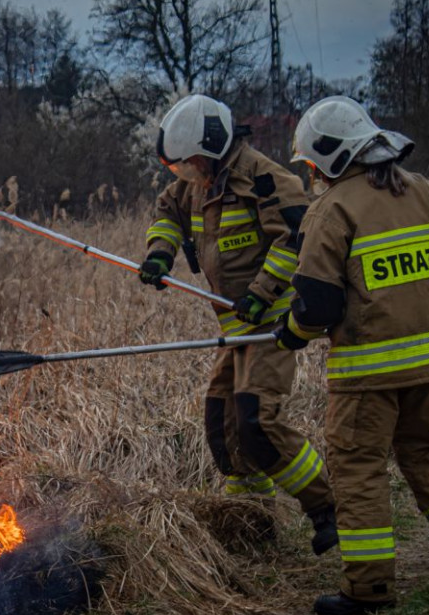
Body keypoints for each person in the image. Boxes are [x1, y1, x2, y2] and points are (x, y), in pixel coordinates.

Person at [275, 95, 429, 615]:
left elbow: (316, 302)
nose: (310, 175)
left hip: (366, 377)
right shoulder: (424, 190)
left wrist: (291, 333)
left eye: (310, 164)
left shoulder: (331, 209)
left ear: (329, 157)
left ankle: (369, 588)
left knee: (359, 472)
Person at [138, 94, 338, 556]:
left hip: (271, 323)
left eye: (192, 164)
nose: (189, 175)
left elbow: (295, 242)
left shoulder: (268, 181)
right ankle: (253, 525)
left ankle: (327, 508)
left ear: (214, 148)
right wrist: (159, 254)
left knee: (255, 422)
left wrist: (261, 292)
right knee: (221, 423)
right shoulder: (198, 183)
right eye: (183, 167)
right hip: (235, 328)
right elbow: (167, 213)